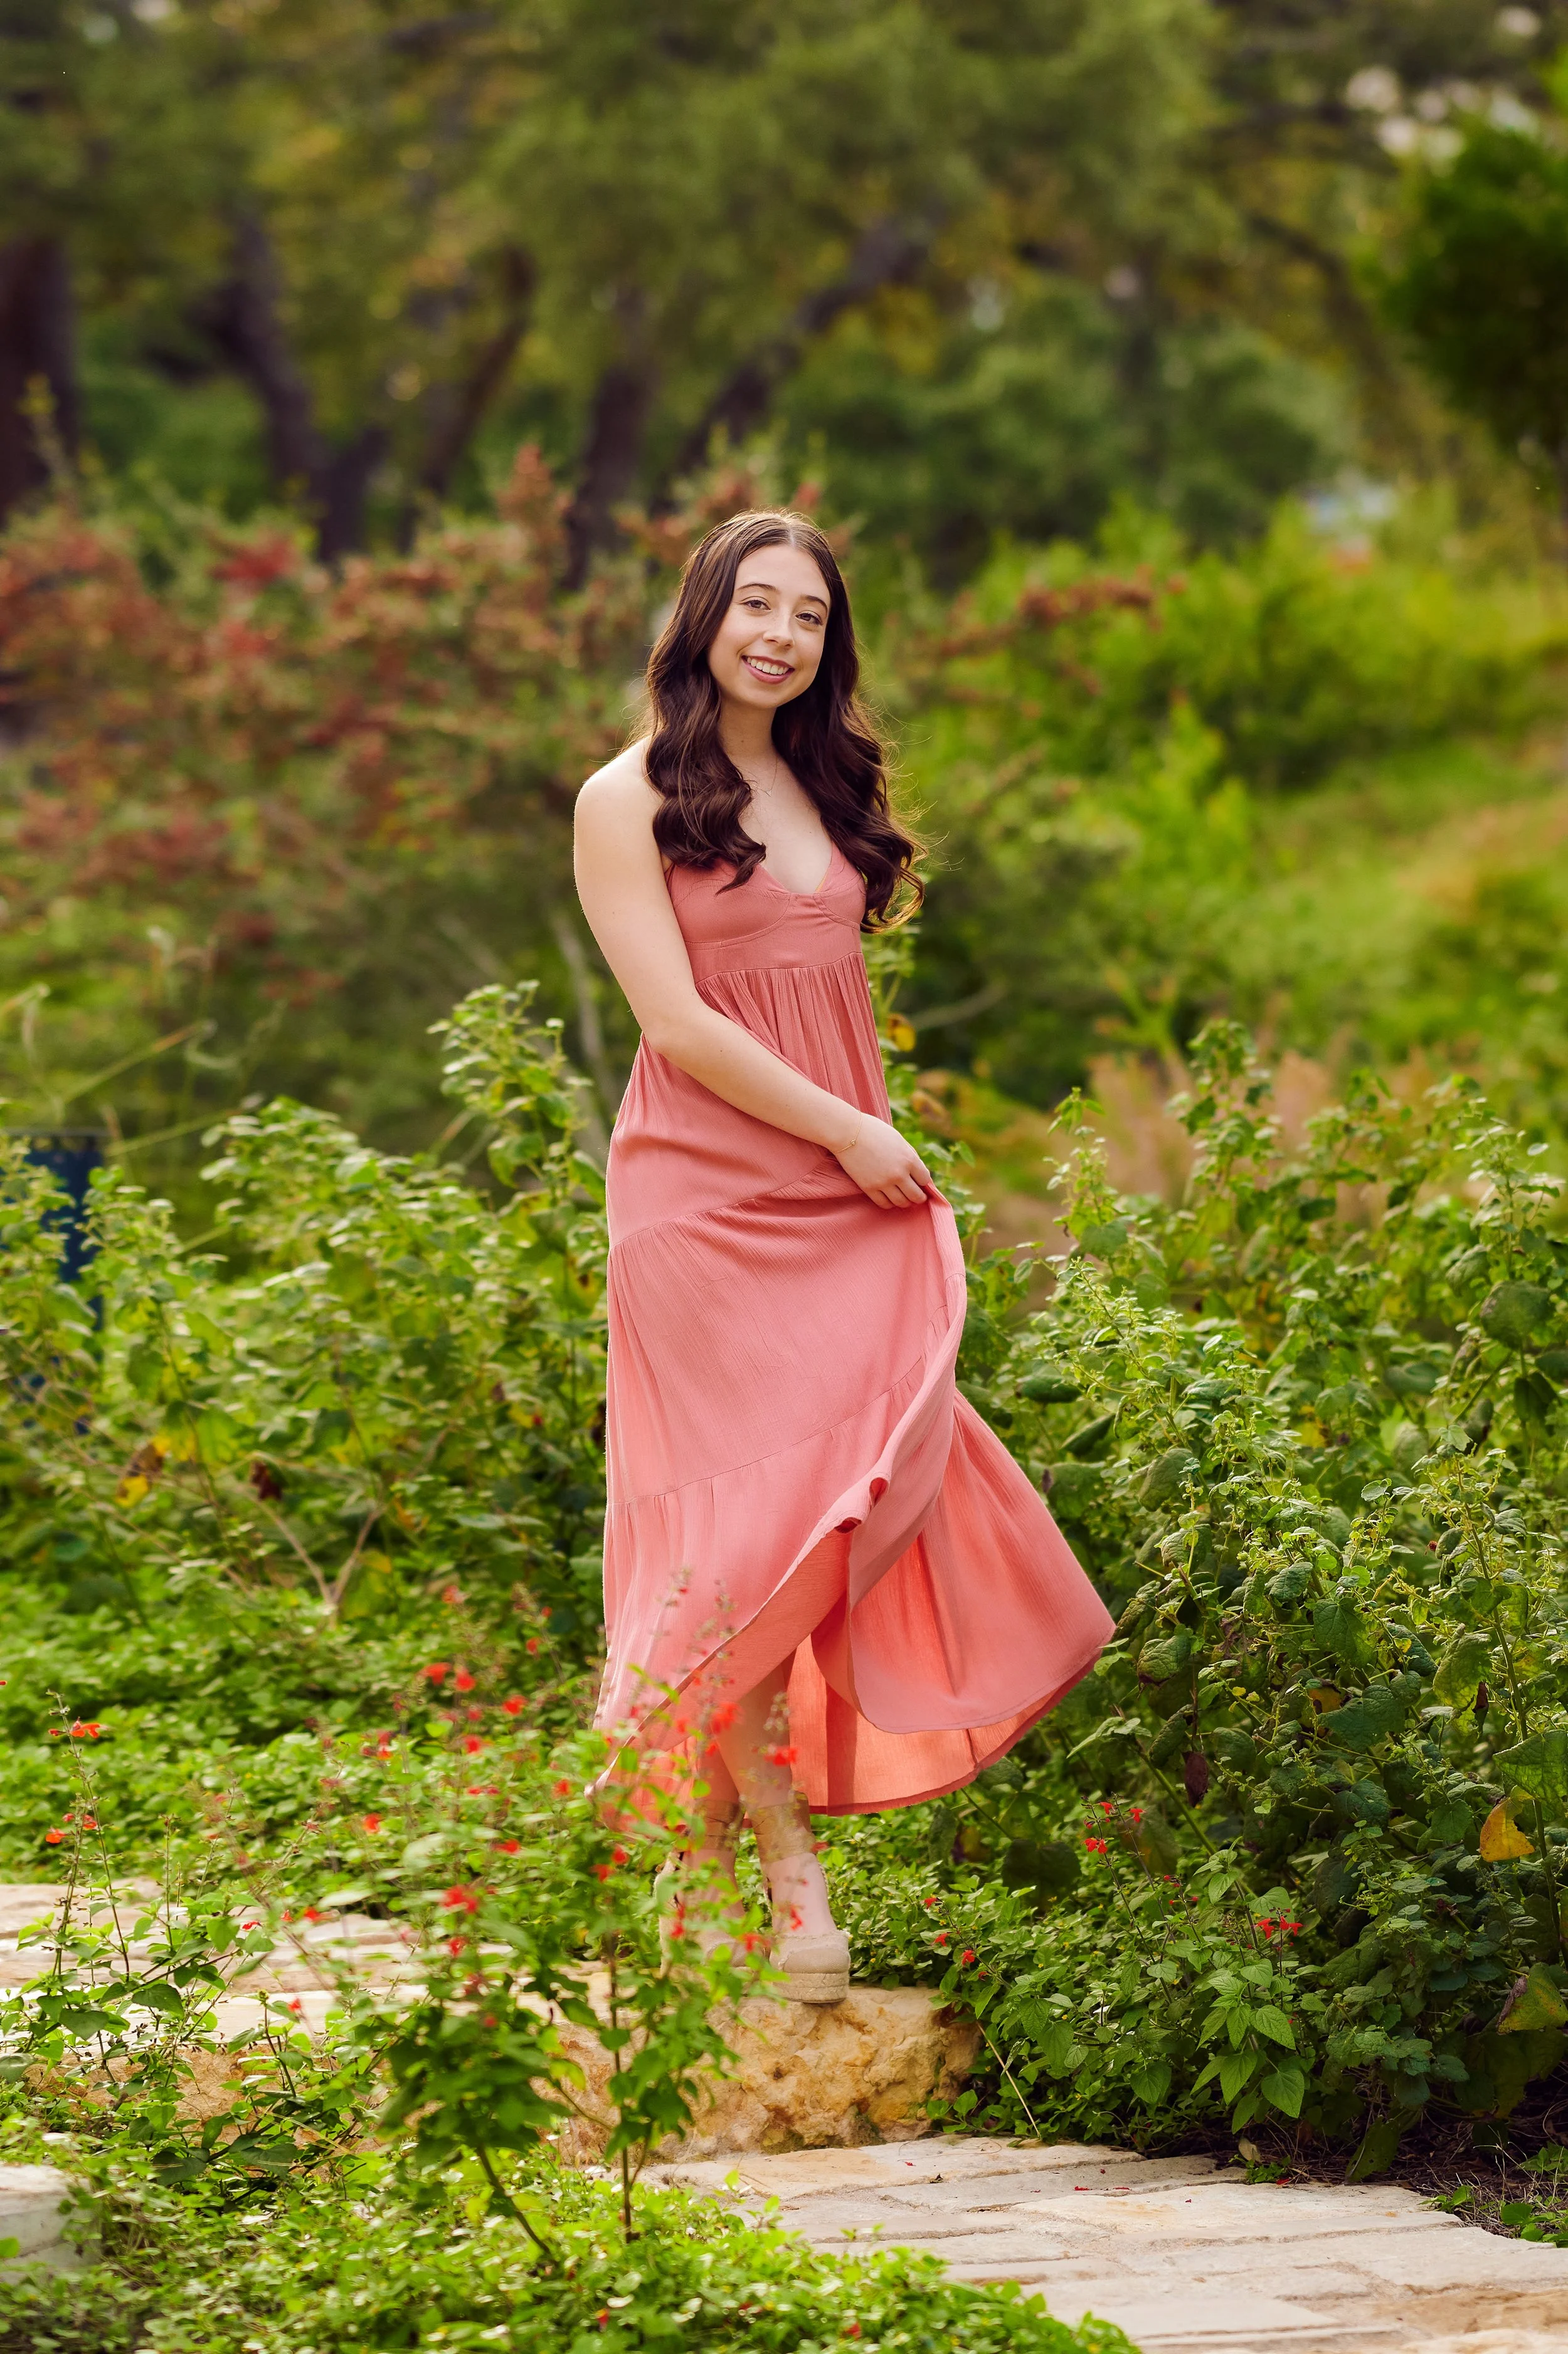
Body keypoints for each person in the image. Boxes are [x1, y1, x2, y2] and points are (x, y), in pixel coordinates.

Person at [573, 509, 1112, 2003]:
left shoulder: (827, 779)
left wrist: (861, 1137)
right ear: (702, 616)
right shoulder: (622, 799)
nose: (778, 634)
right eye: (754, 605)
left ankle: (732, 1873)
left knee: (867, 1474)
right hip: (701, 1194)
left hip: (834, 1176)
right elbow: (677, 1025)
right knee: (727, 1547)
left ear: (829, 642)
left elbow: (822, 985)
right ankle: (778, 1879)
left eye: (805, 616)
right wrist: (852, 1133)